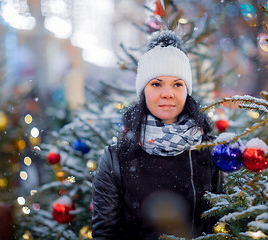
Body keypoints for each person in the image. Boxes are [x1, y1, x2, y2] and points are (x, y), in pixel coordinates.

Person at [92, 30, 225, 240]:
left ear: (186, 91)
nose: (167, 93)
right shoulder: (116, 159)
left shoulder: (208, 150)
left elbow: (219, 222)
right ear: (143, 90)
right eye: (156, 84)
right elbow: (105, 233)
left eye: (177, 84)